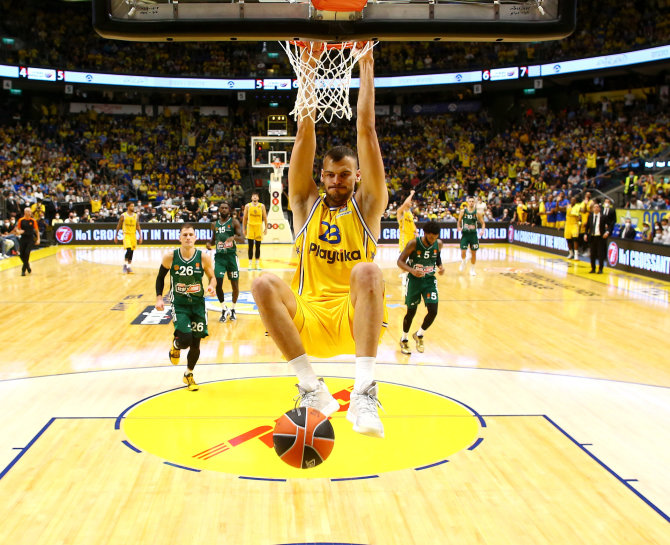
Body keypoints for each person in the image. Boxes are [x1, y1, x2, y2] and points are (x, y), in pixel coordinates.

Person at [251, 42, 387, 438]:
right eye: (329, 174)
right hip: (307, 319)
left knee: (366, 270)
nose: (335, 180)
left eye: (344, 174)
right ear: (321, 175)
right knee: (261, 282)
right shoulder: (304, 202)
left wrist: (366, 63)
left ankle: (364, 392)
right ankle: (312, 388)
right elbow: (303, 131)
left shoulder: (369, 205)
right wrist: (307, 69)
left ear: (357, 176)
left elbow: (367, 129)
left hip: (352, 318)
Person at [155, 223, 216, 391]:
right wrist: (159, 298)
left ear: (195, 237)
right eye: (185, 235)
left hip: (198, 305)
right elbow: (160, 278)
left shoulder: (203, 257)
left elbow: (213, 277)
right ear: (180, 238)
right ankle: (176, 345)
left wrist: (211, 286)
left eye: (191, 234)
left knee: (196, 343)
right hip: (179, 304)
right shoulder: (170, 257)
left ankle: (189, 374)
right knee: (185, 340)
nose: (188, 237)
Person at [397, 221, 444, 355]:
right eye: (430, 237)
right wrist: (411, 271)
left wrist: (440, 266)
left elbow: (437, 256)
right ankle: (404, 339)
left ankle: (419, 335)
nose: (433, 240)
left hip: (429, 280)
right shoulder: (413, 243)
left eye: (435, 237)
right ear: (425, 234)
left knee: (433, 311)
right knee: (411, 312)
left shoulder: (438, 244)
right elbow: (400, 261)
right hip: (414, 281)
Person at [206, 202, 244, 322]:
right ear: (219, 210)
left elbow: (242, 238)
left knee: (235, 286)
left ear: (229, 210)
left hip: (231, 257)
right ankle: (223, 308)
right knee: (218, 283)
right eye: (221, 208)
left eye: (226, 208)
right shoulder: (214, 224)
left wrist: (233, 238)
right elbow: (213, 240)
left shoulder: (234, 222)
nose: (223, 210)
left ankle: (233, 309)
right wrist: (209, 244)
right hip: (220, 258)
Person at [457, 195, 485, 276]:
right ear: (467, 202)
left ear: (474, 203)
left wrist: (482, 231)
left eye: (473, 201)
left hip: (473, 235)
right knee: (463, 252)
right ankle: (463, 261)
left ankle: (472, 269)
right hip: (465, 235)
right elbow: (459, 221)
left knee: (474, 253)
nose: (471, 203)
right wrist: (459, 227)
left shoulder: (477, 213)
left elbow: (483, 223)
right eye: (470, 201)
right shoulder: (463, 211)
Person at [114, 202, 143, 273]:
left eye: (133, 206)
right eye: (132, 206)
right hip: (126, 234)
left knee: (132, 251)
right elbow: (119, 225)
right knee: (129, 249)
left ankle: (129, 267)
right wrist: (116, 236)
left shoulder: (136, 216)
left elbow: (138, 226)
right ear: (128, 207)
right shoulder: (123, 215)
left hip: (133, 235)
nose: (133, 208)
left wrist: (140, 236)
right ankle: (125, 265)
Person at [11, 208, 40, 275]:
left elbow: (37, 231)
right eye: (27, 211)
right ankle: (27, 266)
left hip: (30, 239)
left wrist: (38, 239)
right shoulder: (21, 220)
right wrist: (19, 232)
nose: (29, 213)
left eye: (30, 211)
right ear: (25, 212)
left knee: (27, 253)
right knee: (21, 255)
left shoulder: (33, 221)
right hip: (23, 239)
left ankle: (23, 270)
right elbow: (17, 230)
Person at [243, 192, 267, 270]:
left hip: (258, 227)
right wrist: (244, 229)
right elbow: (245, 218)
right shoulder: (247, 206)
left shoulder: (262, 206)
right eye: (253, 196)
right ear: (251, 198)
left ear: (258, 198)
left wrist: (266, 228)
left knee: (258, 246)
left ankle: (257, 264)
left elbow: (265, 217)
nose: (255, 197)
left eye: (256, 196)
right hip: (250, 227)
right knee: (250, 246)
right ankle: (250, 264)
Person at [584, 202, 609, 273]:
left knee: (600, 253)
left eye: (597, 207)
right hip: (592, 237)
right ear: (592, 209)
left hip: (600, 237)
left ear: (600, 209)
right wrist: (586, 234)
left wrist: (607, 232)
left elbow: (609, 225)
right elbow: (587, 226)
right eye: (594, 207)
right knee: (592, 253)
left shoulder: (603, 216)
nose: (596, 208)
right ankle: (593, 268)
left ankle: (600, 269)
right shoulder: (590, 216)